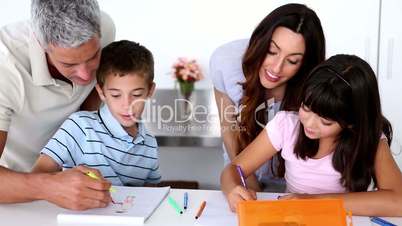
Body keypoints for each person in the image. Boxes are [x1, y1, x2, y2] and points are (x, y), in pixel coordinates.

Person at [221, 54, 402, 216]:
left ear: (352, 122)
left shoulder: (369, 139)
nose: (309, 123)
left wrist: (312, 202)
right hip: (292, 218)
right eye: (306, 108)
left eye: (326, 122)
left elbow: (398, 202)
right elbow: (234, 168)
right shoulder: (287, 125)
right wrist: (233, 189)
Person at [0, 0, 115, 210]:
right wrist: (49, 185)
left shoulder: (105, 28)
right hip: (11, 190)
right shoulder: (5, 67)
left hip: (72, 180)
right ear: (41, 44)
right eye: (69, 64)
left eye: (93, 57)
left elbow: (90, 95)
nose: (85, 75)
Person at [209, 3, 325, 191]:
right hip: (239, 173)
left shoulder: (314, 84)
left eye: (292, 61)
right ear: (261, 41)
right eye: (272, 51)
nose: (276, 68)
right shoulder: (226, 62)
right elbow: (228, 128)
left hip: (293, 185)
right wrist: (248, 181)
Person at [32, 40, 160, 188]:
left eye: (136, 94)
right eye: (116, 95)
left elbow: (152, 193)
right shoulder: (80, 126)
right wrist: (64, 180)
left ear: (150, 91)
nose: (127, 105)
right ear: (101, 92)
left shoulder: (149, 143)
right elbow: (37, 177)